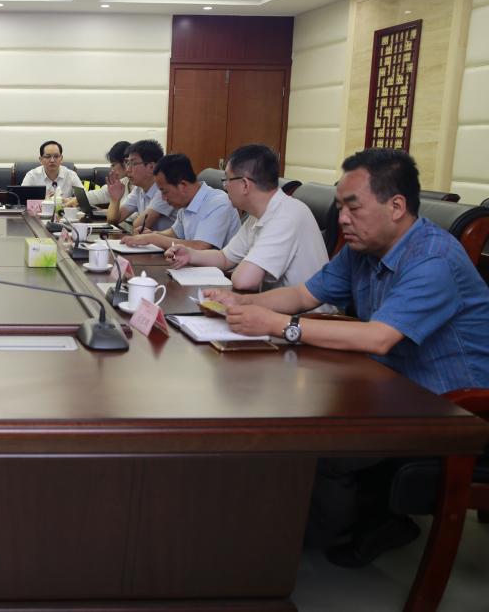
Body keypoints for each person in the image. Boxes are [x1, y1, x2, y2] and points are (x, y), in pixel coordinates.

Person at [204, 147, 489, 566]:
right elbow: (303, 295)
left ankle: (319, 539)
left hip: (451, 404)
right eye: (340, 208)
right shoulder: (363, 249)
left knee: (313, 439)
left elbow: (379, 338)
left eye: (353, 208)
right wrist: (240, 301)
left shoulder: (433, 259)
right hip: (389, 382)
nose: (342, 219)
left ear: (396, 207)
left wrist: (279, 325)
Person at [165, 144, 328, 292]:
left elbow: (244, 281)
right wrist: (190, 254)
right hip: (274, 306)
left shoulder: (286, 215)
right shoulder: (257, 216)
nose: (225, 187)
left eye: (227, 180)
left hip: (309, 314)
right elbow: (225, 258)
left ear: (244, 184)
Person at [120, 153, 240, 250]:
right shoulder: (186, 202)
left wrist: (153, 239)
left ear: (182, 185)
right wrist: (152, 234)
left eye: (164, 191)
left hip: (220, 272)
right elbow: (175, 233)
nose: (163, 198)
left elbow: (200, 247)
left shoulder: (218, 203)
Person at [105, 139, 174, 231]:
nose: (128, 169)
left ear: (151, 167)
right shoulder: (138, 189)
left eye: (133, 164)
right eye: (127, 163)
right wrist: (115, 199)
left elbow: (139, 226)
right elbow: (113, 219)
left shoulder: (164, 190)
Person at [66, 140, 130, 209]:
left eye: (113, 165)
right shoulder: (123, 182)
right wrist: (75, 199)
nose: (112, 170)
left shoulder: (137, 187)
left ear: (125, 162)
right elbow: (100, 194)